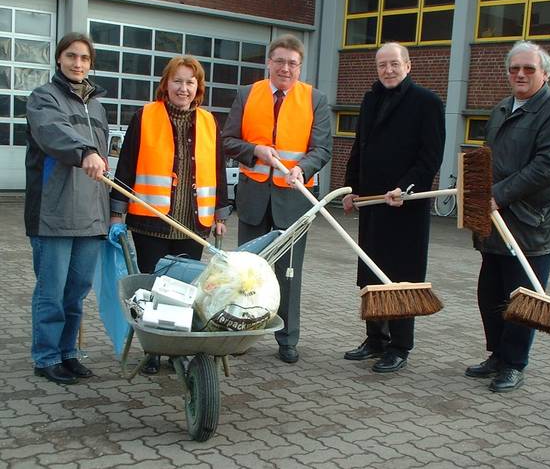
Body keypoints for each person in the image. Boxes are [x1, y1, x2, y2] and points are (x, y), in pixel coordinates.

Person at [466, 41, 550, 392]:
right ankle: (497, 354)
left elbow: (549, 167)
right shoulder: (501, 109)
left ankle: (514, 364)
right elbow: (489, 158)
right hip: (495, 221)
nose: (520, 74)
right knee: (491, 293)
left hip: (532, 222)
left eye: (529, 69)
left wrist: (498, 194)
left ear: (545, 73)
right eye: (514, 68)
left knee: (523, 299)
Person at [110, 56, 229, 374]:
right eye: (178, 80)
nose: (184, 88)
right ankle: (153, 350)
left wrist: (221, 213)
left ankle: (177, 347)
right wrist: (116, 213)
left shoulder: (208, 122)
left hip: (194, 224)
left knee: (183, 289)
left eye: (191, 82)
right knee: (150, 287)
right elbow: (126, 165)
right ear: (166, 84)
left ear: (198, 88)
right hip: (151, 222)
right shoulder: (145, 116)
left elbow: (218, 170)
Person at [222, 34, 332, 363]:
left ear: (300, 67)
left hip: (294, 199)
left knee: (289, 272)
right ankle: (242, 334)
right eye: (280, 61)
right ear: (269, 63)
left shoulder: (315, 99)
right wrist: (254, 151)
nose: (286, 68)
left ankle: (287, 339)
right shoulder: (247, 94)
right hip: (254, 195)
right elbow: (228, 140)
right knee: (249, 271)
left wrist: (303, 168)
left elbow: (322, 148)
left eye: (292, 63)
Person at [342, 42, 445, 373]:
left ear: (408, 66)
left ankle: (399, 346)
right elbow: (360, 146)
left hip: (405, 207)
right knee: (371, 273)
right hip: (372, 204)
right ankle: (374, 339)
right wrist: (350, 189)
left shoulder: (427, 102)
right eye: (382, 65)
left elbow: (430, 157)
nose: (388, 70)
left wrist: (407, 188)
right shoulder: (370, 98)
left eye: (394, 64)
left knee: (401, 276)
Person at [25, 32, 109, 385]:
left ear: (91, 64)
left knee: (76, 292)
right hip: (53, 213)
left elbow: (103, 158)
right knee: (52, 292)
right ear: (59, 59)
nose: (78, 63)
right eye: (71, 56)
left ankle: (68, 353)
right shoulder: (43, 98)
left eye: (84, 58)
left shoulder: (97, 105)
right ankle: (46, 357)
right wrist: (85, 151)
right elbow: (53, 131)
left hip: (91, 216)